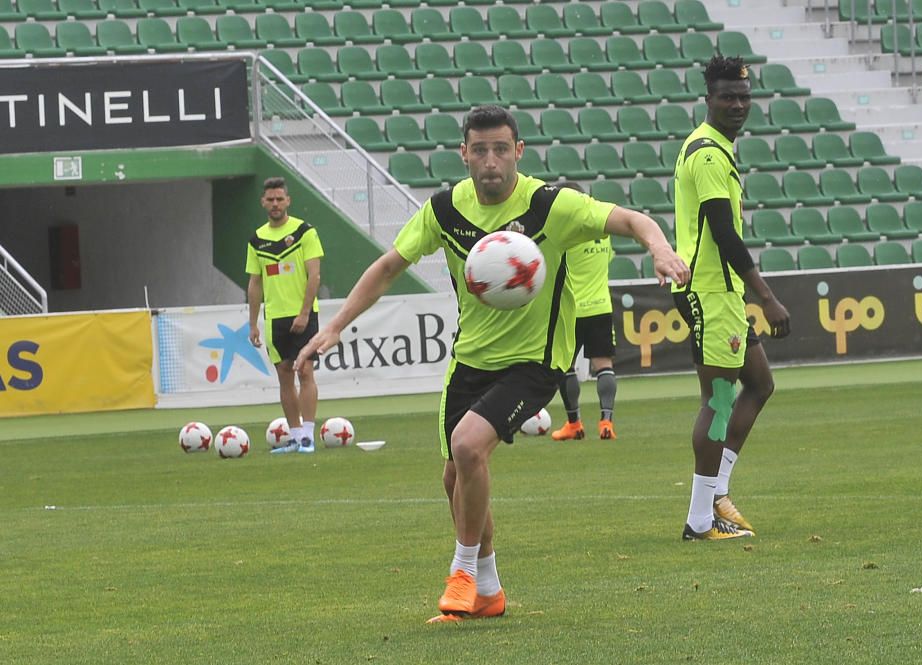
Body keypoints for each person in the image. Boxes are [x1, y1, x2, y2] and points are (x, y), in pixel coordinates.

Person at [294, 105, 690, 622]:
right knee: (454, 477)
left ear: (518, 152)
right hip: (470, 361)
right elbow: (390, 266)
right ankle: (489, 591)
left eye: (501, 149)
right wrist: (334, 325)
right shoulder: (444, 210)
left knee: (467, 447)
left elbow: (631, 220)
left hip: (535, 362)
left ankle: (460, 573)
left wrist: (658, 248)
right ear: (463, 154)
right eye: (479, 150)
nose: (490, 161)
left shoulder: (552, 205)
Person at [671, 56, 790, 541]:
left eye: (743, 97)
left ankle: (717, 491)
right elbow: (723, 232)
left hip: (722, 293)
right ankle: (701, 520)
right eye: (727, 96)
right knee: (719, 401)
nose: (737, 104)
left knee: (759, 384)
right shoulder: (706, 154)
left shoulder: (716, 148)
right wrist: (767, 297)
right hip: (711, 292)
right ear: (709, 99)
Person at [247, 176, 324, 454]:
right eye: (271, 199)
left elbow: (314, 275)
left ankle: (308, 436)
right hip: (275, 317)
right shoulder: (257, 239)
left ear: (288, 201)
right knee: (283, 375)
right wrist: (253, 322)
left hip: (302, 315)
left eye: (280, 198)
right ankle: (294, 436)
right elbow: (255, 283)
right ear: (263, 202)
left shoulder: (305, 232)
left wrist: (304, 313)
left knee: (304, 370)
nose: (275, 203)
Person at [550, 183, 619, 442]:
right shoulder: (603, 229)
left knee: (565, 367)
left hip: (571, 309)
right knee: (604, 365)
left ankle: (574, 423)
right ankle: (607, 422)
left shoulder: (565, 230)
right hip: (601, 306)